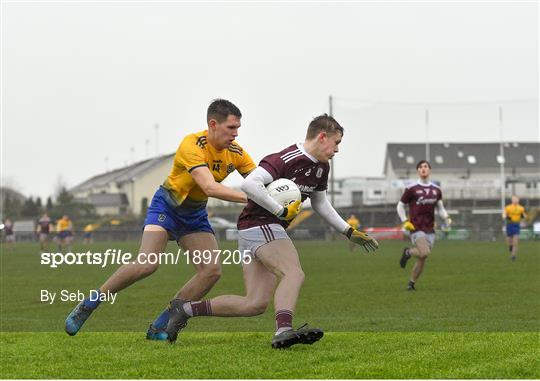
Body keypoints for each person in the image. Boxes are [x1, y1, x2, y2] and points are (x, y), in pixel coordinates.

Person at [164, 114, 379, 349]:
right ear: (322, 137)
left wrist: (348, 231)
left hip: (254, 228)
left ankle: (184, 309)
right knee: (293, 273)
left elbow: (319, 203)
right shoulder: (286, 158)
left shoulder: (321, 168)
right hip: (261, 223)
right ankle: (283, 331)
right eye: (336, 143)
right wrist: (280, 210)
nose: (337, 150)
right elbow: (249, 184)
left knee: (254, 304)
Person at [64, 99, 256, 338]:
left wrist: (286, 194)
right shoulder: (192, 144)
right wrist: (252, 199)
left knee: (211, 271)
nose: (236, 134)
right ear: (213, 124)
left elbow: (261, 182)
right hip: (167, 205)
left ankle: (161, 325)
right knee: (147, 264)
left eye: (238, 128)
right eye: (231, 128)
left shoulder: (236, 153)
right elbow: (209, 187)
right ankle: (90, 303)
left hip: (194, 214)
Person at [396, 160, 451, 291]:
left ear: (430, 170)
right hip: (415, 227)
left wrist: (446, 217)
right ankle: (408, 252)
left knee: (422, 257)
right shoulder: (411, 188)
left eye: (426, 166)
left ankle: (411, 283)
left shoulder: (436, 190)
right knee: (425, 252)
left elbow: (440, 208)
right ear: (418, 171)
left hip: (430, 228)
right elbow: (400, 206)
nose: (423, 169)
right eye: (420, 167)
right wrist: (405, 221)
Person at [503, 195, 527, 261]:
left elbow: (524, 215)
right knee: (509, 241)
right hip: (509, 224)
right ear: (512, 200)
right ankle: (510, 247)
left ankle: (513, 256)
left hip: (516, 225)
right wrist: (506, 217)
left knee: (515, 241)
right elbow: (504, 214)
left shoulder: (521, 208)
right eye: (514, 199)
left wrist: (523, 219)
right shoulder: (508, 207)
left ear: (518, 200)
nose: (515, 200)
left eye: (516, 199)